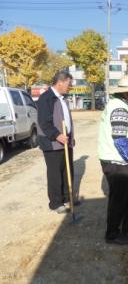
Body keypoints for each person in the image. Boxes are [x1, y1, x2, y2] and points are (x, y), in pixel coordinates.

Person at [98, 75, 128, 245]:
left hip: (118, 159)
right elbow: (119, 139)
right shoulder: (120, 109)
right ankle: (112, 233)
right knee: (119, 198)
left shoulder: (120, 106)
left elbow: (122, 132)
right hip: (115, 160)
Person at [37, 70, 77, 213]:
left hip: (66, 140)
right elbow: (44, 122)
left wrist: (70, 136)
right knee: (55, 173)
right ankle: (56, 202)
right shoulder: (46, 98)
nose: (69, 86)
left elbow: (66, 119)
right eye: (68, 83)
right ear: (60, 82)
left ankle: (68, 197)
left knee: (67, 170)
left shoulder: (63, 98)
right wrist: (56, 135)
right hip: (52, 142)